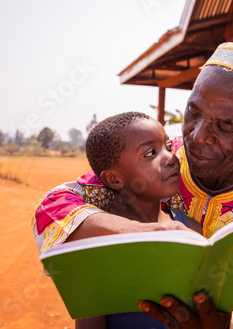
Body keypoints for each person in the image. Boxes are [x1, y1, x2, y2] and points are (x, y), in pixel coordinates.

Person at [32, 42, 233, 329]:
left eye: (225, 126)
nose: (198, 136)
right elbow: (55, 207)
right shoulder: (161, 158)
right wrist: (153, 232)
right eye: (193, 112)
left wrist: (230, 323)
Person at [75, 111, 202, 328]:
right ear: (113, 178)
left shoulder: (191, 228)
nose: (171, 157)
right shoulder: (100, 246)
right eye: (150, 153)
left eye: (168, 146)